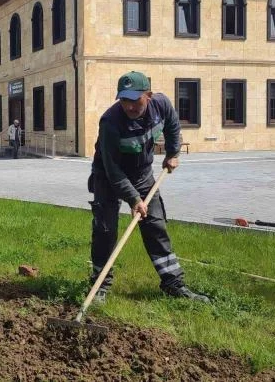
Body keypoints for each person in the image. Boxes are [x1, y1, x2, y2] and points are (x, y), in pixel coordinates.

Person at [88, 71, 209, 304]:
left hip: (142, 174)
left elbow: (173, 125)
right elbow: (112, 170)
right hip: (107, 176)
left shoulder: (161, 105)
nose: (129, 106)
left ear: (149, 95)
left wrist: (173, 153)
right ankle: (99, 285)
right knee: (105, 230)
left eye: (135, 100)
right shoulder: (110, 122)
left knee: (155, 226)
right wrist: (134, 199)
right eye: (124, 100)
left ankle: (173, 283)